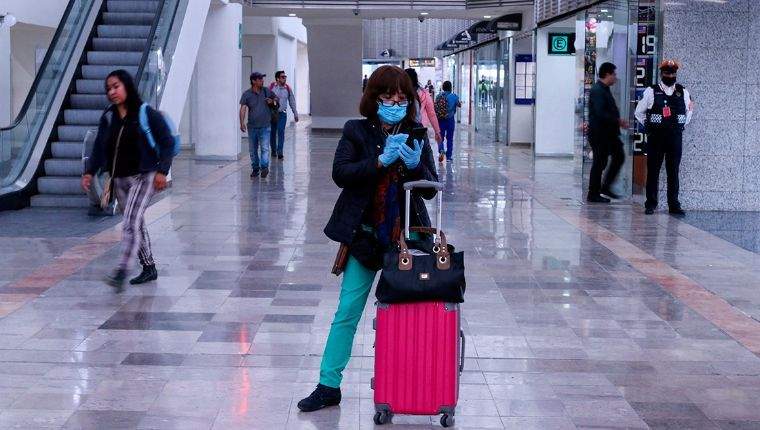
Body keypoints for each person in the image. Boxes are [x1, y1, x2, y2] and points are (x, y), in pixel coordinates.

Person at [297, 65, 438, 412]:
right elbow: (341, 173)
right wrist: (379, 160)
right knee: (347, 311)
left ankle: (406, 386)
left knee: (405, 315)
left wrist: (415, 166)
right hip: (364, 238)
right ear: (374, 99)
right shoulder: (356, 131)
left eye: (402, 99)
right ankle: (328, 384)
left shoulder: (416, 133)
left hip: (405, 242)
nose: (395, 105)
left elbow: (431, 188)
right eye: (388, 98)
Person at [81, 69, 175, 292]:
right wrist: (90, 171)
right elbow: (100, 147)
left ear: (127, 86)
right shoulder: (108, 117)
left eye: (116, 86)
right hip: (119, 179)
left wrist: (162, 171)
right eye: (108, 89)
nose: (112, 92)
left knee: (131, 222)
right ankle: (149, 267)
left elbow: (168, 142)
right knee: (137, 223)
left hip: (144, 176)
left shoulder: (145, 113)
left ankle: (122, 270)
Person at [635, 59, 693, 216]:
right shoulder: (651, 91)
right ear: (662, 74)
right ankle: (651, 204)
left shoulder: (683, 92)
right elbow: (639, 112)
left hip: (675, 138)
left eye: (673, 73)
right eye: (667, 73)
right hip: (656, 138)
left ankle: (674, 205)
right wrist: (649, 125)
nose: (670, 76)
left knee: (673, 172)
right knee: (653, 171)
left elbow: (689, 112)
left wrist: (679, 126)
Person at [587, 62, 628, 203]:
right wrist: (618, 121)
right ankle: (593, 193)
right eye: (614, 74)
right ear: (607, 74)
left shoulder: (604, 89)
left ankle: (605, 187)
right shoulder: (598, 90)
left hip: (609, 134)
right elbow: (600, 113)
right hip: (600, 134)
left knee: (618, 157)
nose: (615, 77)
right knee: (600, 162)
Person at [240, 72, 277, 179]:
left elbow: (276, 99)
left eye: (262, 79)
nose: (262, 81)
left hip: (265, 126)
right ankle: (255, 169)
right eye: (260, 79)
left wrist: (272, 101)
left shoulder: (266, 91)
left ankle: (264, 168)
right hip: (252, 127)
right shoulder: (247, 94)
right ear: (253, 81)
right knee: (253, 150)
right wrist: (241, 123)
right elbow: (243, 109)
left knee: (265, 148)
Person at [405, 68, 442, 146]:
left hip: (403, 128)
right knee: (421, 149)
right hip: (420, 128)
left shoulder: (400, 93)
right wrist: (437, 131)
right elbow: (431, 113)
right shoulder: (424, 93)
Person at [269, 71, 299, 160]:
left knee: (281, 131)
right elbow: (266, 99)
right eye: (282, 77)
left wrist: (295, 113)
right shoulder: (271, 87)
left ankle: (280, 152)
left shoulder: (287, 88)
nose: (284, 78)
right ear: (277, 78)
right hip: (272, 114)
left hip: (282, 114)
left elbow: (292, 101)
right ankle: (273, 150)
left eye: (285, 77)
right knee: (272, 132)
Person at [436, 80, 461, 163]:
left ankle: (441, 149)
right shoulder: (454, 96)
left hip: (440, 119)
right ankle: (449, 157)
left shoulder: (439, 96)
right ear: (451, 88)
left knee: (440, 137)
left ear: (443, 87)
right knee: (450, 138)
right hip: (450, 119)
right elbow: (459, 105)